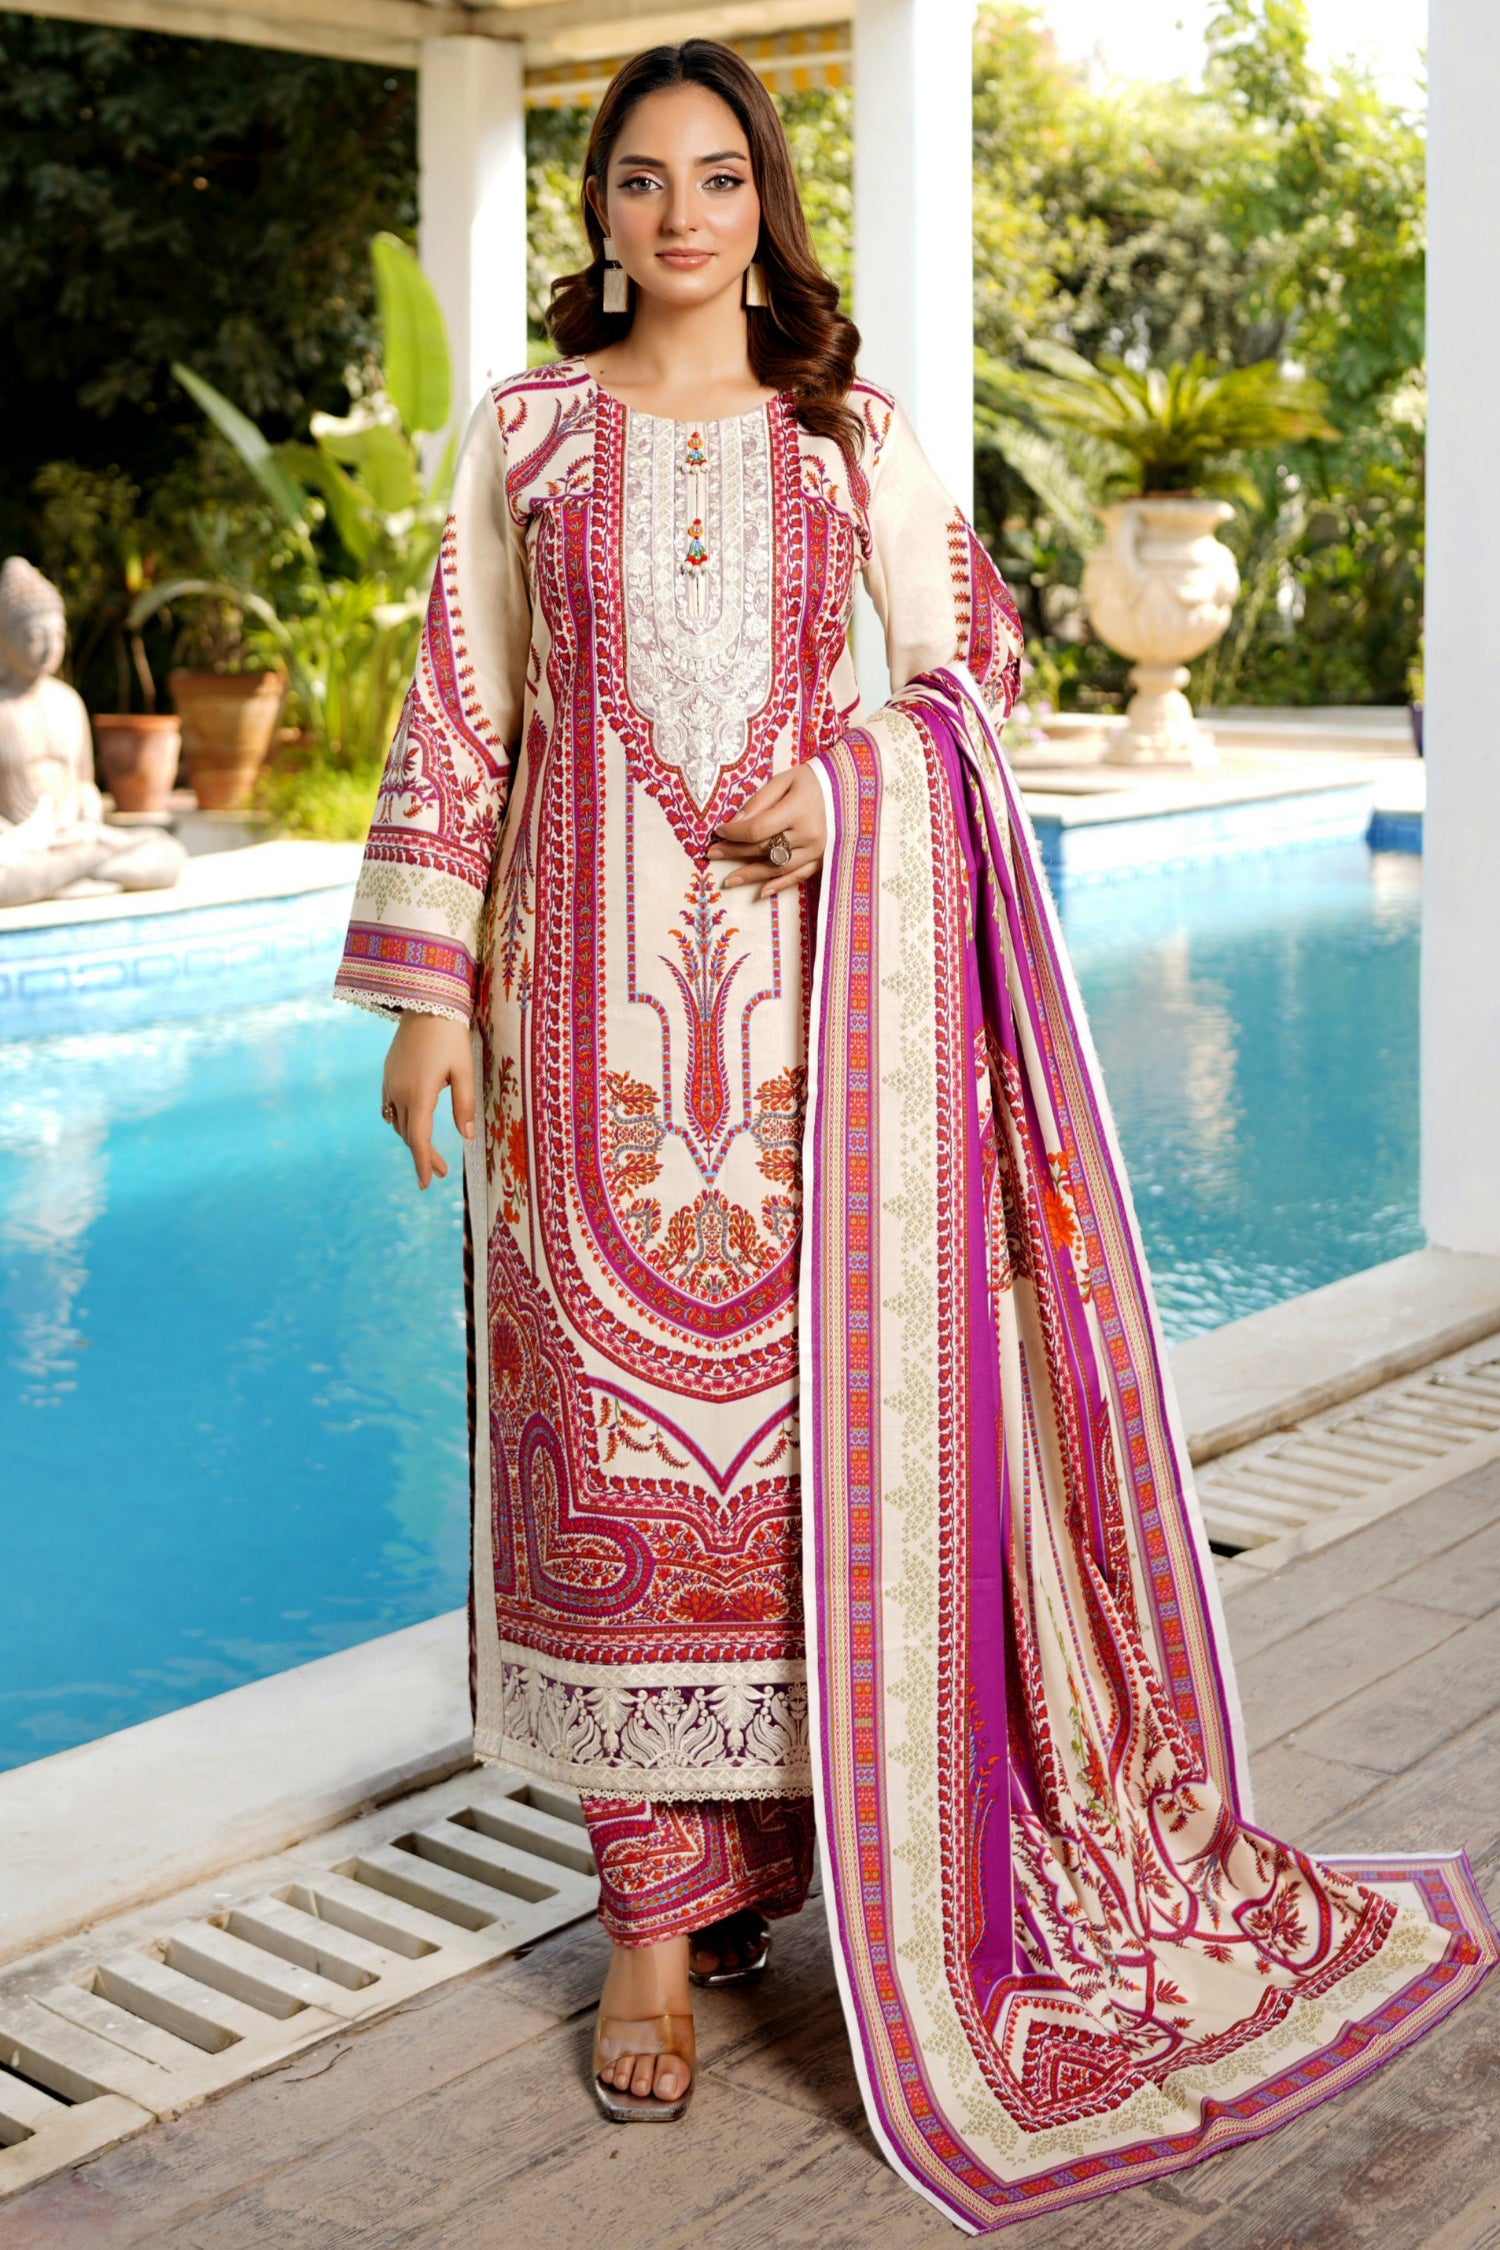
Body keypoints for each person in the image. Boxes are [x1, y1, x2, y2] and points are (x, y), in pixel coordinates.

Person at [335, 40, 1495, 2229]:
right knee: (609, 1482)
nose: (680, 216)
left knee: (806, 1504)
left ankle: (802, 1873)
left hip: (827, 1076)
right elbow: (458, 717)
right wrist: (419, 1008)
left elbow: (979, 669)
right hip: (575, 1049)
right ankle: (652, 1947)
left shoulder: (846, 432)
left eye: (718, 179)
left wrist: (853, 769)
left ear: (768, 202)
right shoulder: (533, 441)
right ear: (599, 209)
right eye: (643, 181)